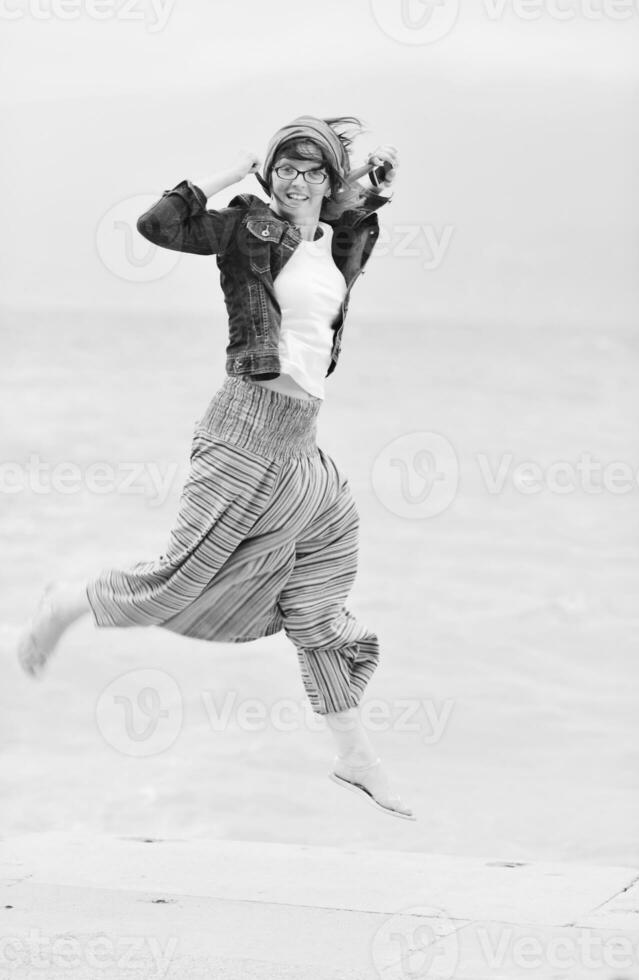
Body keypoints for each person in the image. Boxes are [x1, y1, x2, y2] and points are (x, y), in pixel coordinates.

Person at [16, 114, 415, 820]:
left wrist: (367, 187)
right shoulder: (244, 228)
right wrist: (231, 174)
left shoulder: (335, 241)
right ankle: (72, 602)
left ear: (327, 181)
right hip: (242, 433)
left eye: (309, 170)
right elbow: (156, 225)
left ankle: (356, 756)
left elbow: (351, 217)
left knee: (318, 601)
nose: (294, 181)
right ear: (269, 174)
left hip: (302, 446)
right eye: (283, 168)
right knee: (181, 579)